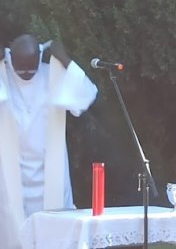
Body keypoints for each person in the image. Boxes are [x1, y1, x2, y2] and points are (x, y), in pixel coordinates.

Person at [0, 34, 98, 249]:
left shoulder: (52, 75)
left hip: (50, 176)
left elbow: (86, 95)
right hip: (10, 179)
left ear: (40, 58)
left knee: (56, 236)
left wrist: (65, 60)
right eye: (20, 68)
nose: (26, 74)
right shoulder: (3, 76)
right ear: (10, 59)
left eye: (31, 68)